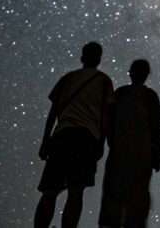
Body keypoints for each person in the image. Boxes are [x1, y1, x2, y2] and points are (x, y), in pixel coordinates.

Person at [35, 42, 116, 228]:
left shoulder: (68, 78)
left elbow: (53, 112)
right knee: (76, 190)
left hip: (62, 135)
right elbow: (105, 117)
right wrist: (101, 143)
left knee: (50, 189)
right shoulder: (104, 81)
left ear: (82, 57)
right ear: (99, 59)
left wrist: (45, 139)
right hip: (87, 138)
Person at [98, 59, 160, 228]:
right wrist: (156, 155)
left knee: (113, 196)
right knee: (137, 198)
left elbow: (108, 122)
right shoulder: (150, 96)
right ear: (147, 75)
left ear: (130, 72)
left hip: (119, 153)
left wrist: (110, 142)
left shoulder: (119, 93)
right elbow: (156, 127)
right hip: (142, 154)